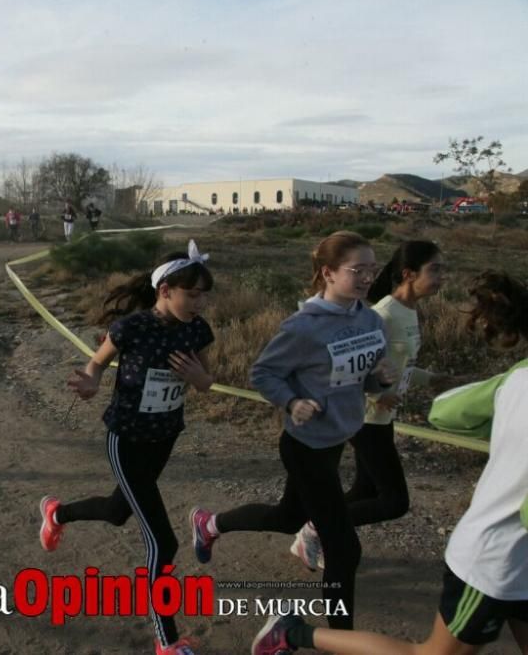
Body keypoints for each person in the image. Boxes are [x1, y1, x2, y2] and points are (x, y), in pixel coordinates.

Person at [252, 271, 528, 655]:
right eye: (437, 270)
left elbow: (445, 411)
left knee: (373, 503)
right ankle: (294, 631)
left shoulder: (516, 378)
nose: (443, 277)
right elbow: (274, 371)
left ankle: (310, 534)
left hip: (367, 427)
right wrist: (372, 389)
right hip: (498, 558)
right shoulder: (374, 315)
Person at [190, 230, 395, 630]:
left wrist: (380, 380)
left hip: (338, 438)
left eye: (373, 269)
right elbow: (263, 373)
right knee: (344, 548)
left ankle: (210, 524)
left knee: (288, 517)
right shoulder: (304, 327)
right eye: (358, 269)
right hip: (304, 446)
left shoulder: (371, 320)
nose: (368, 277)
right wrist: (291, 402)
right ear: (328, 273)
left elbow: (362, 381)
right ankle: (340, 638)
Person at [38, 241, 215, 655]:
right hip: (126, 439)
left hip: (165, 436)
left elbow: (207, 382)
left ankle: (56, 513)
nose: (200, 302)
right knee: (163, 542)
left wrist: (196, 376)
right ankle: (167, 640)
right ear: (165, 290)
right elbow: (97, 363)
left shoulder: (197, 329)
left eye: (205, 294)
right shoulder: (131, 328)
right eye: (192, 294)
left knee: (118, 512)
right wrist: (91, 381)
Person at [290, 240, 457, 570]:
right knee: (395, 501)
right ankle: (316, 528)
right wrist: (375, 395)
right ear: (409, 274)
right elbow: (347, 364)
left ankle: (318, 531)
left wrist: (433, 378)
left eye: (443, 270)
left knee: (365, 490)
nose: (441, 277)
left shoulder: (407, 312)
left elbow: (398, 364)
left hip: (383, 416)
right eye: (434, 269)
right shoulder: (382, 314)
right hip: (366, 418)